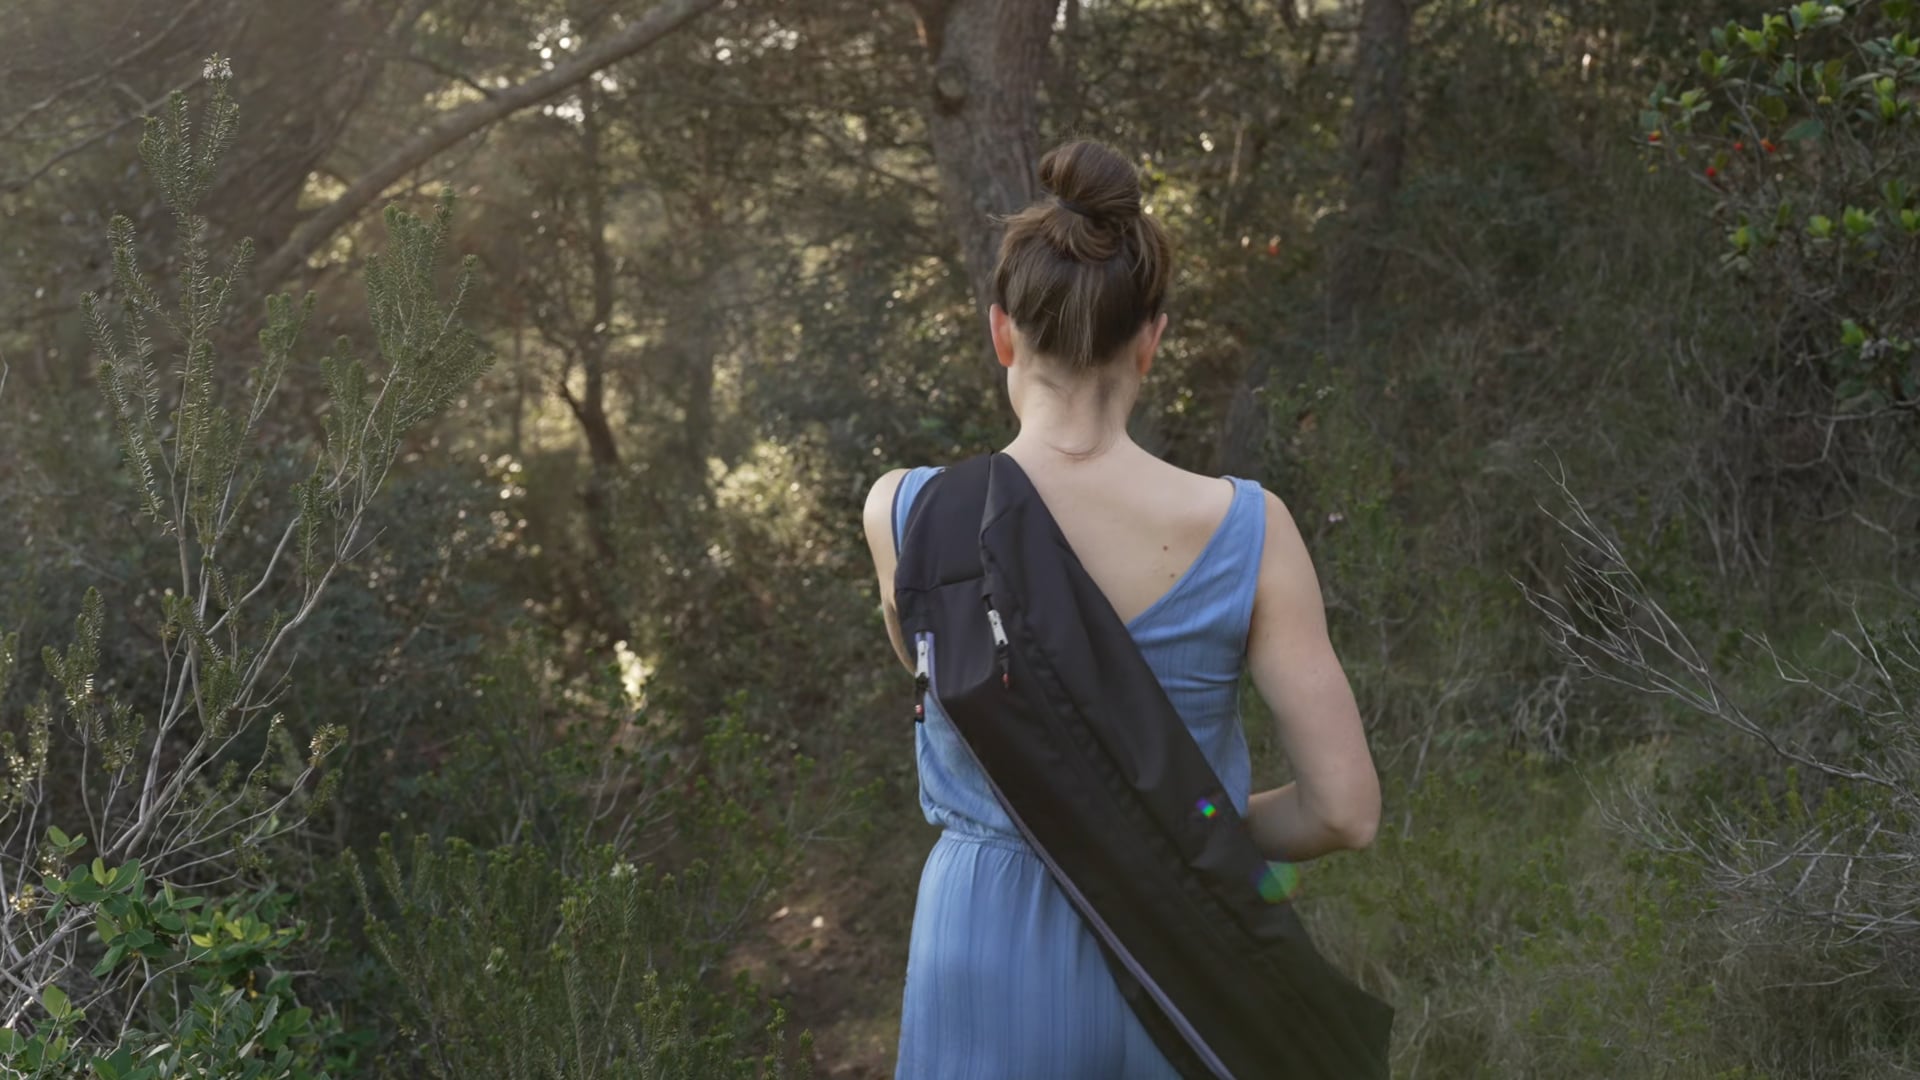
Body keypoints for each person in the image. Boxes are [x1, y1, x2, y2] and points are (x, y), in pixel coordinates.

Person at [860, 139, 1383, 1080]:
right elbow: (1344, 814)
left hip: (980, 950)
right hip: (1184, 947)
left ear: (1002, 333)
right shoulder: (1252, 530)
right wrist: (1186, 831)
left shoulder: (907, 513)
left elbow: (953, 685)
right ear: (1152, 338)